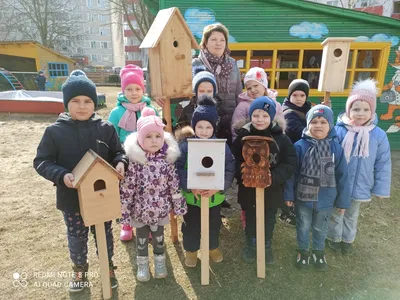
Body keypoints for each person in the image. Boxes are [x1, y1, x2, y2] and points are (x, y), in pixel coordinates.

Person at [33, 70, 128, 292]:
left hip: (101, 198)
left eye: (87, 101)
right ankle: (79, 269)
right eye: (75, 101)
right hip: (72, 200)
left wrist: (122, 162)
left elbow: (118, 152)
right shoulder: (55, 132)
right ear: (67, 103)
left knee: (104, 234)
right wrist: (61, 175)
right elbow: (41, 161)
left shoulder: (105, 129)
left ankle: (108, 266)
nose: (82, 106)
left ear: (94, 103)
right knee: (76, 237)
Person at [119, 107, 187, 282]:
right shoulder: (135, 162)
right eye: (148, 137)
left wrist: (178, 206)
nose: (154, 140)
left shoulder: (167, 160)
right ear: (140, 139)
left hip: (161, 211)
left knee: (158, 239)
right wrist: (124, 213)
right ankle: (142, 264)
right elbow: (127, 189)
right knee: (141, 240)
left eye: (158, 136)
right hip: (140, 211)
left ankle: (159, 262)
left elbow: (173, 185)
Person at [326, 79, 391, 255]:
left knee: (351, 214)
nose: (360, 114)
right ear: (349, 110)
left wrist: (381, 188)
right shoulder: (340, 131)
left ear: (372, 111)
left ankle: (347, 239)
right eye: (356, 109)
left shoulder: (378, 135)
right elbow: (328, 155)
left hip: (360, 183)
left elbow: (383, 163)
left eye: (365, 110)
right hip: (339, 183)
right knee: (336, 212)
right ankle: (334, 237)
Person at [284, 105, 351, 271]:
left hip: (326, 199)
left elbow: (343, 175)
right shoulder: (299, 146)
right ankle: (303, 250)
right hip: (303, 198)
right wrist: (288, 195)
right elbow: (291, 173)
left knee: (320, 227)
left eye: (323, 121)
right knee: (303, 225)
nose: (318, 125)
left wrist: (343, 201)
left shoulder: (336, 148)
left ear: (330, 125)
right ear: (308, 125)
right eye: (314, 122)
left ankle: (318, 251)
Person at [231, 96, 297, 264]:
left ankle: (266, 244)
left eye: (265, 116)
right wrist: (244, 173)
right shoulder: (243, 136)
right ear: (251, 116)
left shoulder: (280, 138)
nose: (260, 120)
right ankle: (252, 243)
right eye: (256, 115)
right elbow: (234, 159)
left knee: (268, 217)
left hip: (271, 190)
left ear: (271, 117)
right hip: (248, 189)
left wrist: (273, 177)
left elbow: (290, 162)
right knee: (251, 216)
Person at [155, 23, 242, 146]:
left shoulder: (232, 64)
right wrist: (162, 96)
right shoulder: (195, 64)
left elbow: (238, 93)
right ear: (205, 42)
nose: (218, 43)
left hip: (227, 121)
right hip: (202, 123)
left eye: (222, 40)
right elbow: (181, 90)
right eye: (214, 39)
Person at [176, 96, 235, 267]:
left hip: (213, 199)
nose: (203, 131)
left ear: (214, 127)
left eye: (208, 127)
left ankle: (212, 247)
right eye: (200, 126)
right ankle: (191, 250)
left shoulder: (220, 146)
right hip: (192, 198)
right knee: (191, 226)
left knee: (213, 225)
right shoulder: (186, 146)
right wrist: (190, 185)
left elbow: (229, 167)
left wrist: (219, 187)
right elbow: (178, 167)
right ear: (194, 126)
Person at [108, 64, 157, 242]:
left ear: (142, 89)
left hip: (147, 159)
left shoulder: (150, 110)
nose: (134, 92)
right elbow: (110, 136)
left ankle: (148, 221)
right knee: (127, 193)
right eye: (129, 89)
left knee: (147, 192)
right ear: (123, 90)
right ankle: (126, 224)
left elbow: (158, 132)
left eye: (137, 88)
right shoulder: (116, 113)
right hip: (126, 159)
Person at [280, 79, 312, 226]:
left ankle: (298, 208)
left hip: (306, 152)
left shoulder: (309, 109)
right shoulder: (288, 111)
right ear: (289, 96)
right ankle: (286, 211)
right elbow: (296, 130)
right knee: (289, 182)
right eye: (295, 95)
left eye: (302, 95)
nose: (299, 99)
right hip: (291, 151)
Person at [231, 67, 283, 141]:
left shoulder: (276, 105)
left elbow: (281, 126)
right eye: (249, 88)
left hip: (272, 142)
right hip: (248, 143)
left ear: (264, 85)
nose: (253, 90)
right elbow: (235, 129)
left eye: (256, 86)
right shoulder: (243, 106)